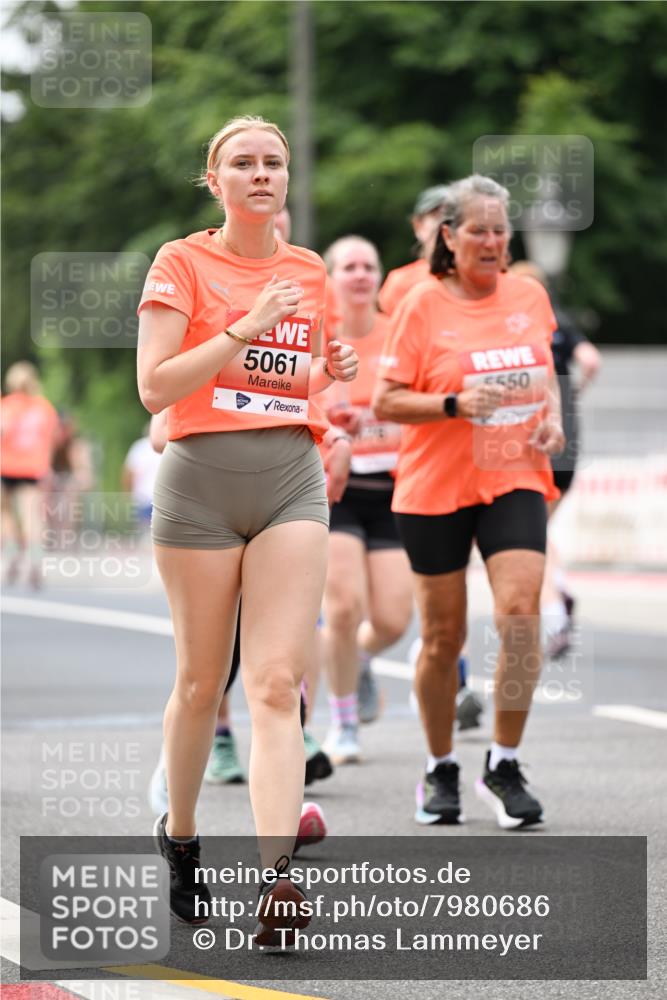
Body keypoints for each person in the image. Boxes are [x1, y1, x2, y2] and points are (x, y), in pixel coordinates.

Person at [136, 115, 357, 943]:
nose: (261, 174)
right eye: (243, 164)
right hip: (200, 489)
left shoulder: (306, 268)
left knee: (272, 683)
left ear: (286, 179)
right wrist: (244, 324)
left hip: (290, 483)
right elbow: (157, 387)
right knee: (202, 684)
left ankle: (276, 881)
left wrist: (324, 372)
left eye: (273, 163)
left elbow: (287, 381)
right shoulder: (180, 262)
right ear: (215, 180)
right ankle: (183, 837)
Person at [374, 175, 564, 830]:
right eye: (477, 229)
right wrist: (452, 405)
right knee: (441, 637)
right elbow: (386, 399)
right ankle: (438, 767)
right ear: (448, 237)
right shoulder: (420, 304)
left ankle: (504, 761)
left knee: (519, 613)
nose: (490, 240)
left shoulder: (528, 295)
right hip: (434, 485)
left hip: (513, 472)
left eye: (499, 229)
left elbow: (543, 373)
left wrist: (553, 420)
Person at [320, 235, 413, 762]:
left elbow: (418, 409)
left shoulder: (398, 335)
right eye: (348, 266)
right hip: (338, 489)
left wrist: (377, 418)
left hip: (394, 487)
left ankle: (354, 660)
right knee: (344, 605)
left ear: (379, 278)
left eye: (368, 266)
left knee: (395, 618)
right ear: (332, 278)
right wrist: (335, 423)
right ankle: (344, 724)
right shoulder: (318, 338)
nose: (359, 274)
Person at [510, 261, 602, 658]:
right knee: (538, 529)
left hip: (533, 439)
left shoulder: (511, 325)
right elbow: (592, 360)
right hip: (567, 436)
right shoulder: (561, 323)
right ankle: (558, 590)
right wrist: (574, 391)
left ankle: (555, 611)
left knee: (528, 535)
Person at [1, 361, 59, 589]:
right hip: (34, 467)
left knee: (5, 514)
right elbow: (51, 441)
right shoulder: (44, 408)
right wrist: (47, 466)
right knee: (33, 515)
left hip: (6, 466)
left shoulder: (6, 406)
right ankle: (35, 558)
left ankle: (13, 552)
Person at [378, 185, 452, 317]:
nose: (445, 221)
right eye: (437, 215)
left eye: (452, 215)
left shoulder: (475, 277)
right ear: (418, 225)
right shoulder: (399, 283)